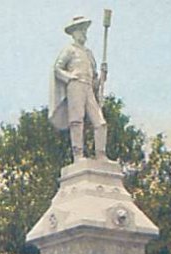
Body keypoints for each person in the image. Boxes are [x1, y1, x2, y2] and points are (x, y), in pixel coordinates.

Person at [49, 15, 108, 161]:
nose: (83, 33)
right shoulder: (69, 50)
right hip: (75, 85)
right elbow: (57, 69)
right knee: (76, 120)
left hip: (88, 86)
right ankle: (78, 155)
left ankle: (101, 154)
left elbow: (95, 81)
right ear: (74, 33)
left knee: (100, 122)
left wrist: (102, 76)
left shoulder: (89, 53)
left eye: (84, 30)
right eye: (80, 30)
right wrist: (70, 78)